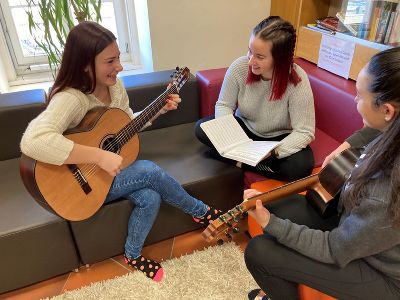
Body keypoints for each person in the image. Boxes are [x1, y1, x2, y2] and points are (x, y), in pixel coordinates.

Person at [20, 21, 222, 282]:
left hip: (100, 177)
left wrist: (158, 108)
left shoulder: (115, 87)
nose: (119, 66)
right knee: (149, 171)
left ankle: (132, 255)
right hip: (79, 187)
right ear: (84, 64)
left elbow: (125, 125)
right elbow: (33, 140)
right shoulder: (71, 98)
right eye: (110, 61)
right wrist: (99, 156)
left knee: (150, 197)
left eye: (118, 58)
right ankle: (202, 212)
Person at [244, 47, 400, 299]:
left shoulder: (385, 191)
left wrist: (269, 224)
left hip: (382, 275)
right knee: (277, 205)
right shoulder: (391, 129)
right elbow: (375, 130)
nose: (354, 101)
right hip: (356, 229)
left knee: (260, 252)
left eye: (359, 96)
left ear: (388, 110)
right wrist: (346, 146)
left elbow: (334, 248)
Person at [195, 16, 315, 182]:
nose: (251, 60)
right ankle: (250, 161)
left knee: (301, 166)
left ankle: (241, 162)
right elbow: (224, 104)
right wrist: (231, 136)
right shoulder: (239, 66)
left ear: (279, 59)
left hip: (278, 139)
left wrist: (272, 152)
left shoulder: (297, 80)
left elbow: (304, 131)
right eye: (250, 51)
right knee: (201, 128)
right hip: (244, 129)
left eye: (260, 56)